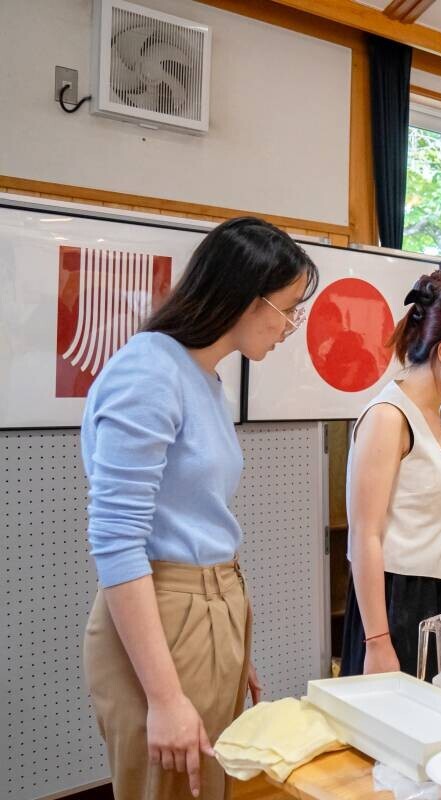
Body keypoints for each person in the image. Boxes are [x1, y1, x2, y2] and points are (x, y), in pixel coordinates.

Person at [82, 217, 318, 800]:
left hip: (206, 611)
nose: (291, 327)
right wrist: (165, 695)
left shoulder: (201, 377)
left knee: (206, 788)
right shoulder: (149, 370)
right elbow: (116, 540)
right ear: (243, 296)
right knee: (170, 790)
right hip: (168, 610)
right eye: (289, 309)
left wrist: (227, 647)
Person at [340, 271, 441, 678]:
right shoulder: (387, 417)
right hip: (398, 601)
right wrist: (377, 642)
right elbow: (365, 536)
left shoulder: (439, 410)